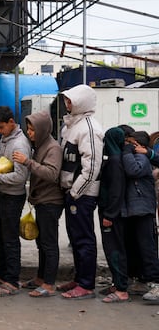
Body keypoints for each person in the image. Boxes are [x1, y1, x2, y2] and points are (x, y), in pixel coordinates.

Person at [57, 84, 103, 300]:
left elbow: (92, 166)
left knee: (84, 238)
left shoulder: (89, 128)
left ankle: (86, 284)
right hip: (71, 192)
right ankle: (79, 278)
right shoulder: (70, 126)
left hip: (82, 194)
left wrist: (76, 192)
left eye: (71, 100)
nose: (67, 104)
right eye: (66, 100)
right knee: (75, 238)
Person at [13, 111, 64, 298]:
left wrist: (28, 162)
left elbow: (51, 174)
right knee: (41, 242)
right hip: (41, 200)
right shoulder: (40, 145)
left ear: (43, 129)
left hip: (51, 201)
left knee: (49, 243)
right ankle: (41, 278)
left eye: (33, 129)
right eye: (28, 129)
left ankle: (49, 284)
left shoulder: (53, 148)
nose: (30, 133)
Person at [0, 106, 30, 297]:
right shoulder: (6, 139)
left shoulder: (19, 144)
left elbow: (19, 177)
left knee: (9, 239)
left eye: (1, 127)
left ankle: (12, 280)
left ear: (11, 122)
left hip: (13, 196)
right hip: (3, 194)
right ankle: (1, 274)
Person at [123, 131, 159, 303]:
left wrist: (130, 152)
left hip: (143, 207)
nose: (126, 146)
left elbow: (133, 170)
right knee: (137, 245)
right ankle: (143, 279)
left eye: (130, 143)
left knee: (147, 246)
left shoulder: (141, 159)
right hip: (136, 207)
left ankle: (155, 282)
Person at [96, 127, 129, 303]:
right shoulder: (114, 159)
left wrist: (109, 214)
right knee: (111, 249)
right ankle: (117, 283)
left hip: (111, 214)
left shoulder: (115, 161)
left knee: (114, 250)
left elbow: (116, 191)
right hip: (108, 211)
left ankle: (122, 290)